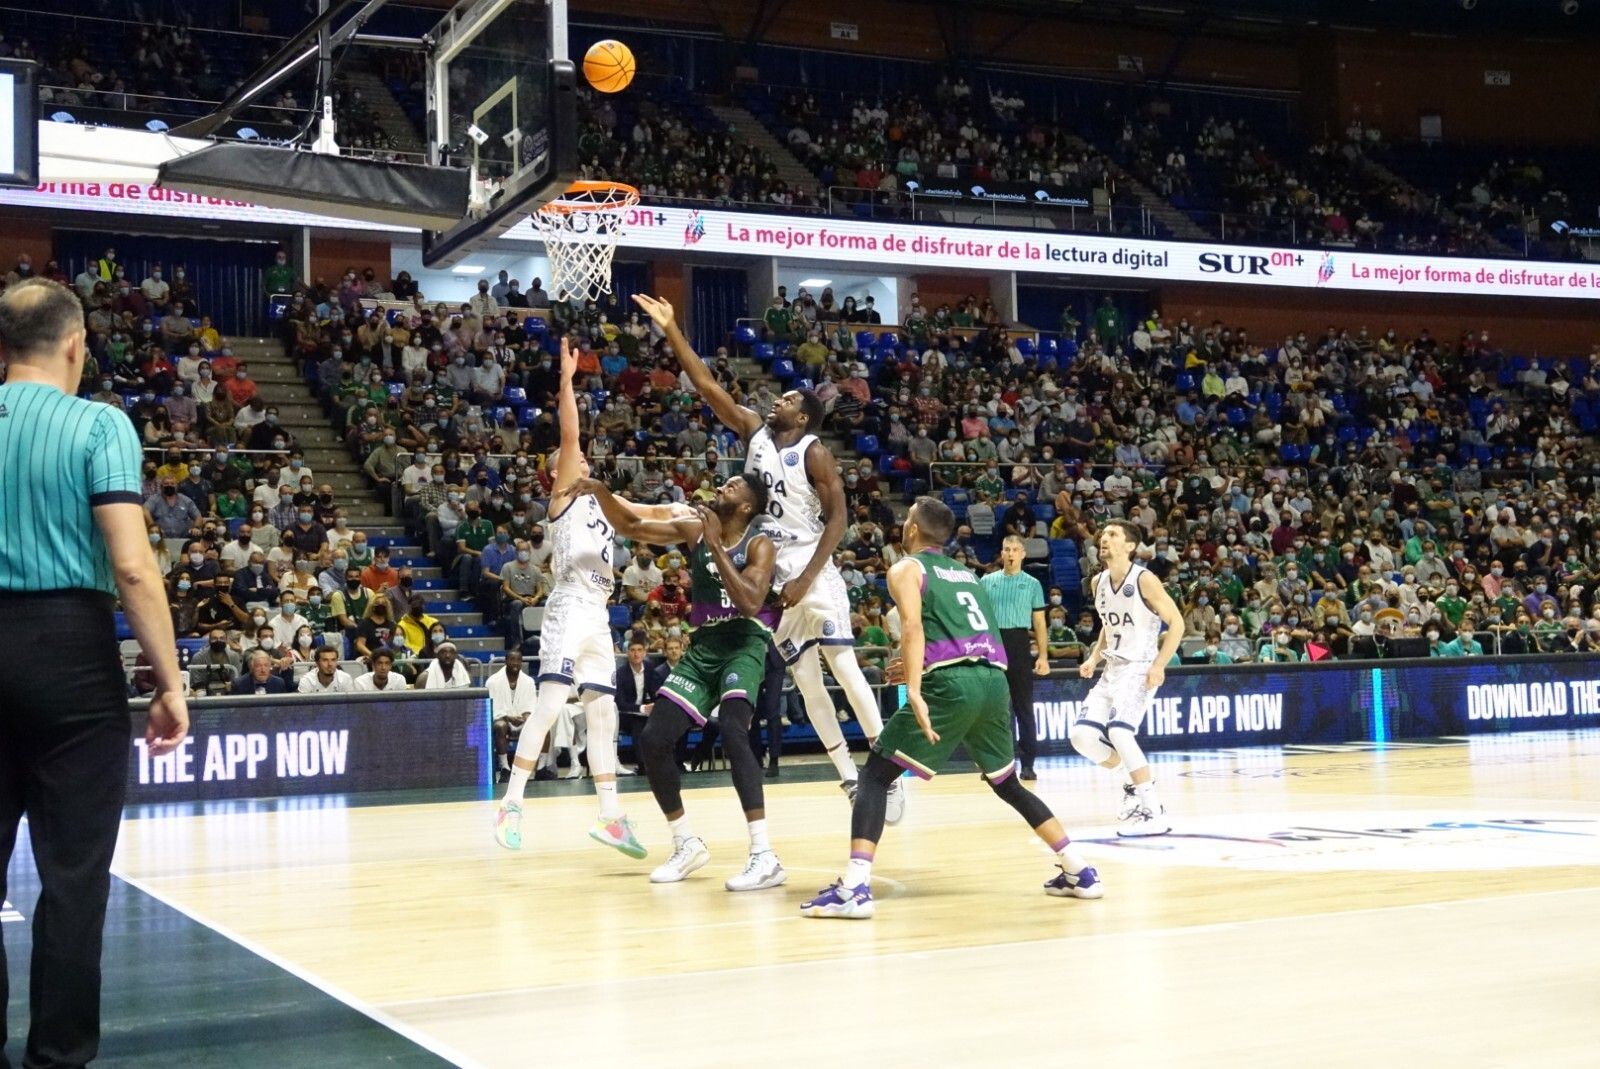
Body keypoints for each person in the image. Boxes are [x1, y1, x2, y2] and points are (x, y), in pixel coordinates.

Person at [0, 278, 189, 1069]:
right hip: (70, 657)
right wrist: (169, 681)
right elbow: (133, 566)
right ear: (74, 344)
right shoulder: (98, 425)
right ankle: (58, 1057)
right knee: (74, 880)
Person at [633, 294, 898, 822]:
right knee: (803, 677)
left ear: (805, 414)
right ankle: (849, 776)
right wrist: (672, 328)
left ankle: (885, 775)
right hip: (771, 566)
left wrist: (809, 577)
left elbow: (839, 519)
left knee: (842, 663)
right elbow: (707, 387)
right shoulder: (755, 433)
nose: (777, 400)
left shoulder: (815, 451)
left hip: (809, 565)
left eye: (789, 398)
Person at [800, 497, 1100, 920]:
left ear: (914, 530)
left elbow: (912, 625)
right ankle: (1080, 870)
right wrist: (917, 661)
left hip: (952, 685)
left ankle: (854, 887)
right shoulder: (968, 574)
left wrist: (916, 689)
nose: (903, 525)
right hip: (993, 679)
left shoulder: (907, 568)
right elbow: (967, 631)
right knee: (1008, 783)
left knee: (874, 775)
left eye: (906, 520)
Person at [494, 338, 674, 862]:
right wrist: (567, 380)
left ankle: (611, 816)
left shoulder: (601, 499)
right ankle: (510, 804)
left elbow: (649, 515)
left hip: (598, 612)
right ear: (557, 473)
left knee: (603, 711)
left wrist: (694, 515)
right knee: (552, 700)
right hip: (569, 604)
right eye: (569, 459)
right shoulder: (565, 494)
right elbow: (570, 431)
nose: (578, 458)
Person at [572, 473, 788, 891]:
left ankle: (764, 854)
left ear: (747, 506)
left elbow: (749, 602)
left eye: (736, 485)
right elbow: (632, 526)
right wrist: (601, 492)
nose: (725, 484)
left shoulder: (759, 545)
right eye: (725, 481)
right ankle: (685, 842)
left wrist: (713, 544)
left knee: (732, 730)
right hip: (704, 645)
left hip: (744, 644)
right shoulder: (695, 526)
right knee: (653, 739)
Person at [1071, 520, 1186, 836]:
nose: (1103, 537)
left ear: (1131, 546)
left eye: (1112, 534)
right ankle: (1131, 781)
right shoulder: (1097, 583)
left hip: (1139, 667)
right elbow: (1108, 627)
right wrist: (1094, 657)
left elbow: (1176, 624)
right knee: (1081, 738)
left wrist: (1159, 665)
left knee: (1120, 733)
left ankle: (1155, 811)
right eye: (1103, 533)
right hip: (1111, 669)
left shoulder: (1145, 579)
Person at [981, 535, 1052, 780]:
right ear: (1001, 553)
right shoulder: (986, 581)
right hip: (991, 644)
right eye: (1007, 549)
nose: (1011, 554)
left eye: (1015, 550)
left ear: (1023, 554)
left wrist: (1043, 655)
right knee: (991, 708)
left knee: (1024, 707)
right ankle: (994, 765)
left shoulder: (1032, 584)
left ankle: (1028, 763)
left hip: (1019, 644)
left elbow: (1040, 623)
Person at [488, 649, 538, 779]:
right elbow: (491, 708)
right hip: (502, 719)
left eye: (518, 660)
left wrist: (526, 717)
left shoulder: (528, 681)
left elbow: (531, 705)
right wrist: (507, 717)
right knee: (500, 726)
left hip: (522, 720)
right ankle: (505, 767)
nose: (515, 663)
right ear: (506, 661)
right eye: (512, 659)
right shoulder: (492, 681)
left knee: (541, 726)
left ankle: (542, 768)